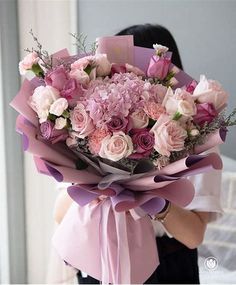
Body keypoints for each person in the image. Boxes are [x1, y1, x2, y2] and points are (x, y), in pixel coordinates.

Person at [54, 24, 223, 284]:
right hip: (100, 262)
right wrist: (98, 180)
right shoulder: (88, 130)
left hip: (168, 268)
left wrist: (153, 197)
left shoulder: (197, 140)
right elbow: (59, 215)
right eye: (120, 68)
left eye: (138, 67)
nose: (128, 78)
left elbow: (194, 236)